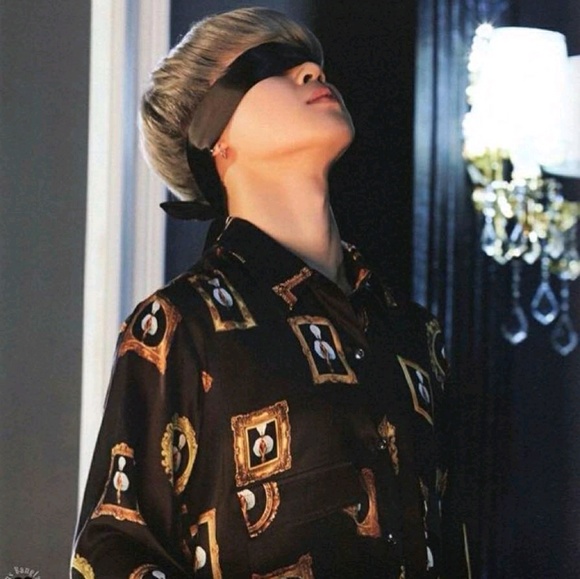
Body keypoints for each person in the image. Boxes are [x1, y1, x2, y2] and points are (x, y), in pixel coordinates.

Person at [71, 7, 469, 579]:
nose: (311, 70)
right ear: (212, 135)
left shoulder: (414, 333)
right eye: (266, 66)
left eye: (311, 62)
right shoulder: (182, 326)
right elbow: (113, 554)